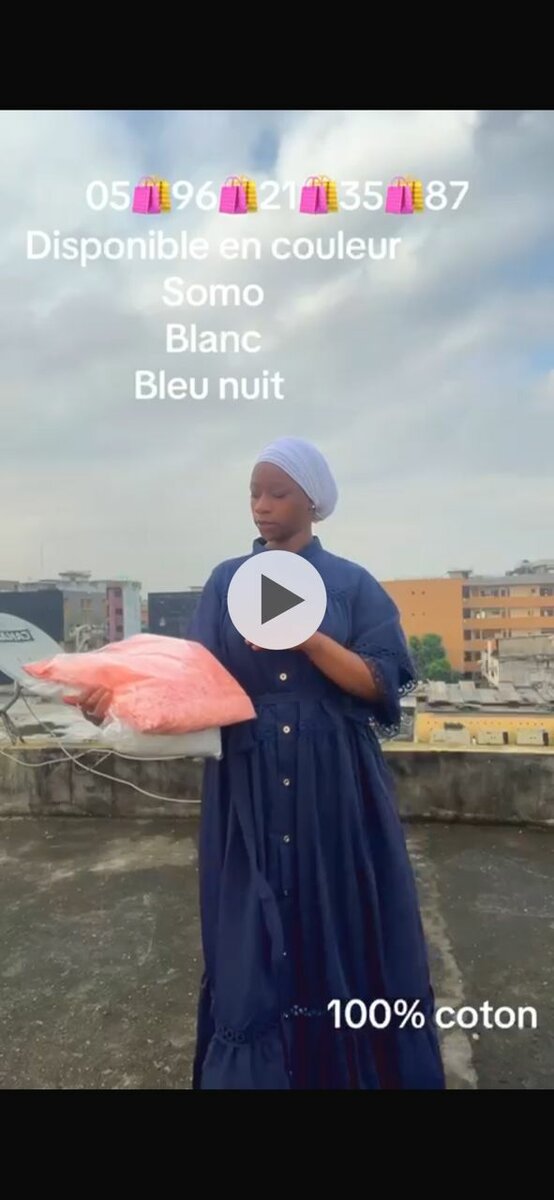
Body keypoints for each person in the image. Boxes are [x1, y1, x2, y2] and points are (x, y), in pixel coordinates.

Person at [80, 436, 446, 1090]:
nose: (262, 506)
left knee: (341, 920)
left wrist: (306, 637)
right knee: (249, 930)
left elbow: (380, 685)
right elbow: (193, 682)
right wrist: (116, 700)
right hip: (246, 782)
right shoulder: (227, 582)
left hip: (336, 783)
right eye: (254, 492)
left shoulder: (351, 584)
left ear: (313, 502)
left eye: (278, 493)